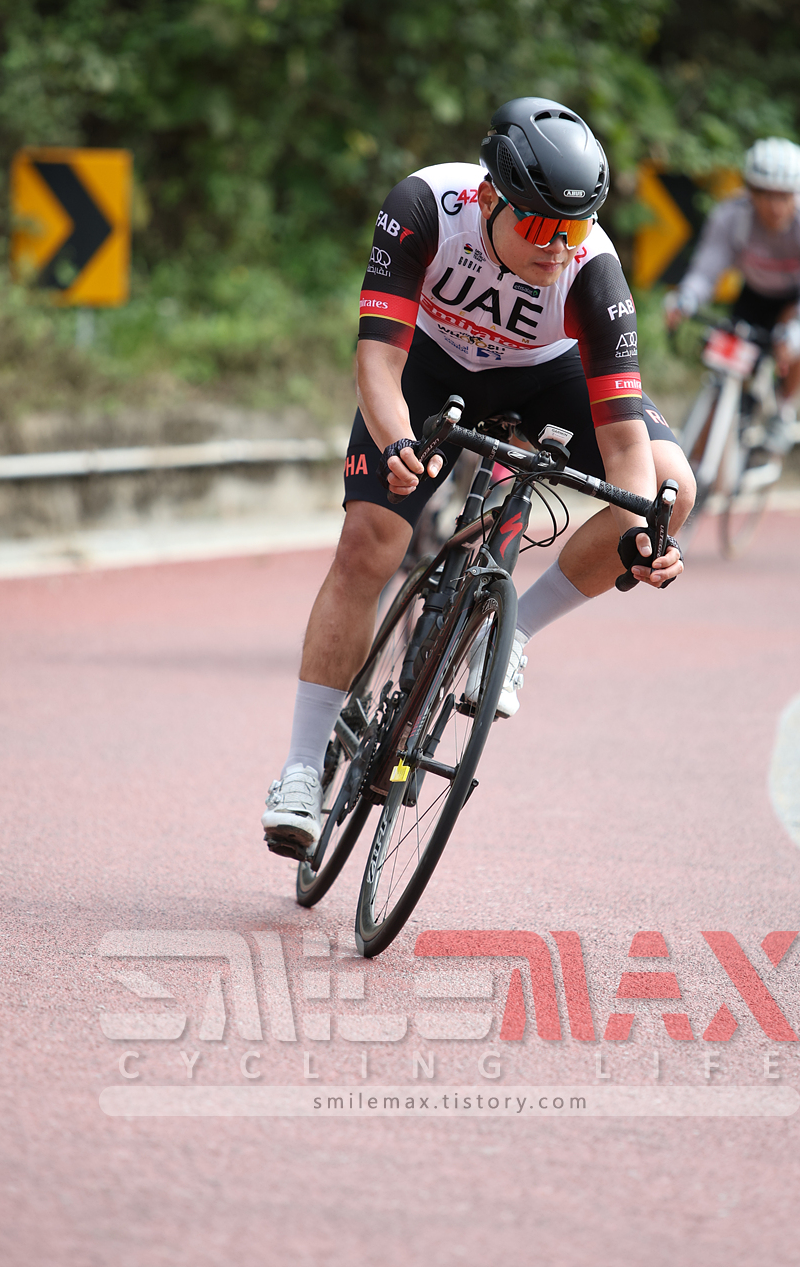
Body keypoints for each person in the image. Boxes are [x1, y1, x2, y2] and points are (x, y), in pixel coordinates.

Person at [262, 97, 696, 857]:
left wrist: (643, 532)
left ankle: (511, 631)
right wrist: (398, 444)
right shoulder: (426, 206)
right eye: (540, 228)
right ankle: (301, 769)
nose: (557, 248)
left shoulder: (593, 272)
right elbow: (378, 361)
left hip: (547, 376)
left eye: (573, 229)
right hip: (430, 364)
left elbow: (624, 438)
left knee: (671, 492)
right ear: (492, 197)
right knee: (368, 543)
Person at [665, 138, 800, 453]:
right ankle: (718, 421)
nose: (775, 206)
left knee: (795, 333)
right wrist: (686, 298)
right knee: (725, 359)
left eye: (784, 196)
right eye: (765, 194)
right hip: (753, 295)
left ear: (799, 194)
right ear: (750, 191)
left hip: (795, 300)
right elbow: (706, 270)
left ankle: (783, 411)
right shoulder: (731, 216)